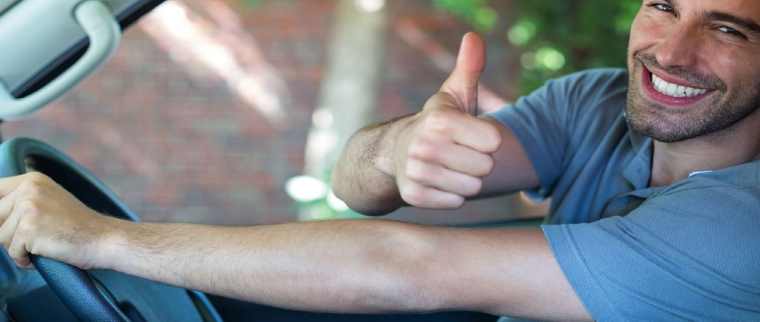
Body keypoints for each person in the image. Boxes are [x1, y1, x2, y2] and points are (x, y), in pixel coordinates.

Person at [2, 0, 760, 320]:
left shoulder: (742, 225)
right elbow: (357, 189)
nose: (671, 49)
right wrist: (399, 151)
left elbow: (409, 267)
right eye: (663, 3)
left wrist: (104, 239)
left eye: (727, 28)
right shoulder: (597, 105)